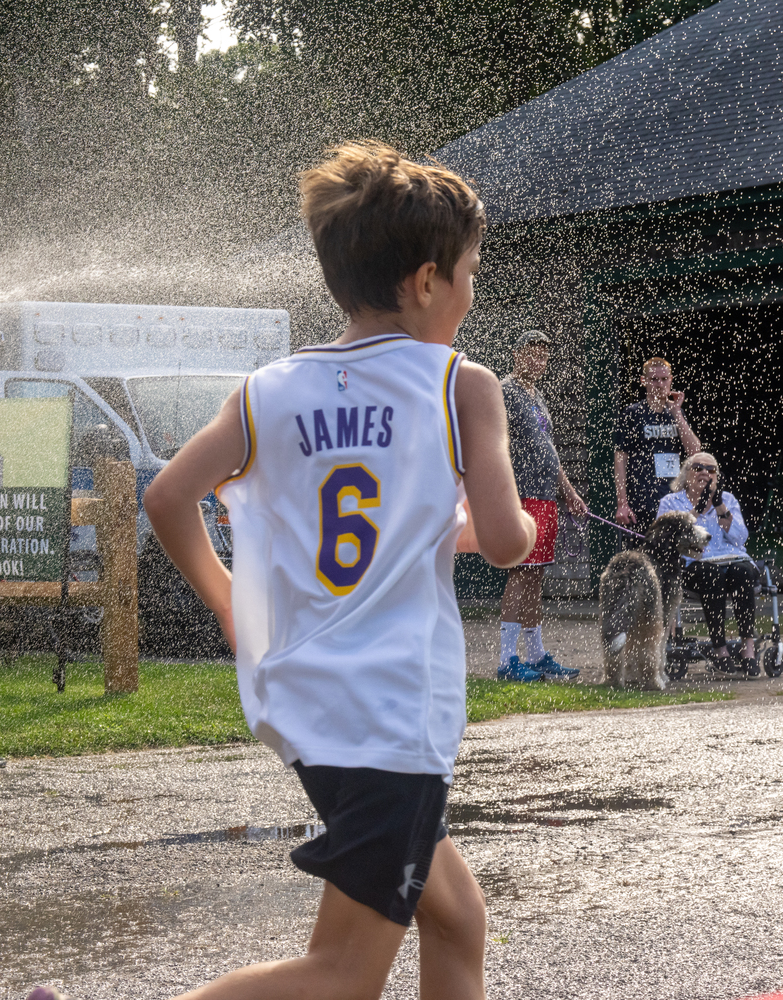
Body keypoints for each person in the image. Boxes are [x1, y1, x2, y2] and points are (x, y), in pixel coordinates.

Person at [136, 142, 534, 1000]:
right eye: (469, 272)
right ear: (428, 280)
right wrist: (523, 522)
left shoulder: (269, 390)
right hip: (391, 716)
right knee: (343, 977)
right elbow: (507, 542)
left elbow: (169, 497)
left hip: (312, 708)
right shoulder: (461, 386)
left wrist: (231, 608)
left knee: (457, 916)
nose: (472, 291)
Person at [496, 329, 587, 682]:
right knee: (521, 571)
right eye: (532, 354)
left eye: (544, 356)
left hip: (547, 496)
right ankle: (507, 661)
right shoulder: (507, 391)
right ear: (517, 355)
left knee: (537, 574)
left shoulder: (539, 396)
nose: (538, 361)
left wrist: (569, 491)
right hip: (522, 495)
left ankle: (535, 655)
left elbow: (548, 449)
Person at [657, 452, 758, 672]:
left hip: (730, 559)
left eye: (710, 469)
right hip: (695, 564)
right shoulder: (671, 502)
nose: (704, 473)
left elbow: (740, 538)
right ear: (686, 473)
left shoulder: (728, 500)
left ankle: (748, 647)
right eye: (698, 468)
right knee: (709, 574)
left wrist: (720, 507)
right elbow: (665, 540)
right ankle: (719, 648)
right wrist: (695, 512)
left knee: (742, 572)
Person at [613, 357, 702, 533]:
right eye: (654, 379)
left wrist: (676, 412)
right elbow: (620, 459)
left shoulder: (676, 412)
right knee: (642, 558)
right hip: (641, 501)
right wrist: (622, 503)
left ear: (671, 380)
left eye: (664, 379)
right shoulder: (633, 414)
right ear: (643, 381)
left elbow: (695, 451)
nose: (659, 384)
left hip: (673, 500)